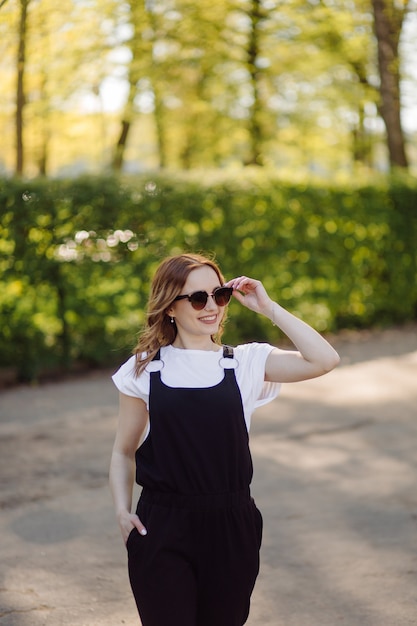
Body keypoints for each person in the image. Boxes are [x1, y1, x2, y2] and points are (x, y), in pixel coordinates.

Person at [109, 252, 340, 626]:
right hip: (162, 525)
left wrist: (269, 308)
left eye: (219, 295)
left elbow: (324, 360)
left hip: (232, 525)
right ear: (169, 307)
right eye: (197, 298)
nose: (211, 306)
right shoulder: (144, 369)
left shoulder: (247, 362)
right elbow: (123, 451)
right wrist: (122, 511)